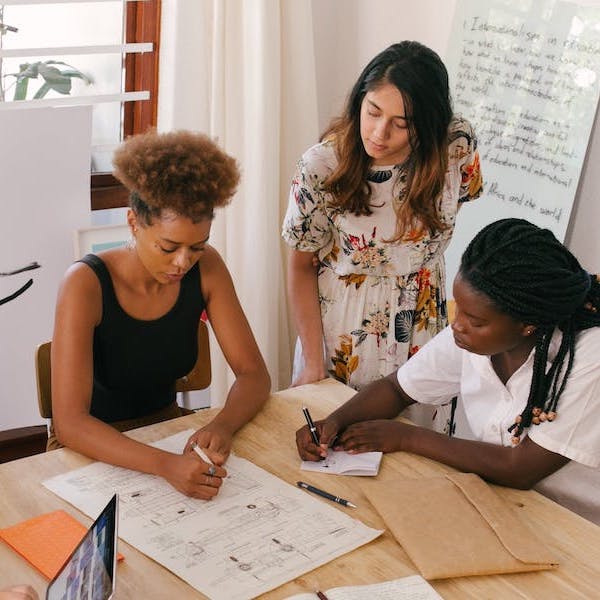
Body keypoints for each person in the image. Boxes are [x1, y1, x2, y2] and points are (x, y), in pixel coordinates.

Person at [296, 218, 600, 524]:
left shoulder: (589, 356)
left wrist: (407, 437)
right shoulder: (472, 336)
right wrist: (335, 421)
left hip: (579, 525)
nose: (457, 324)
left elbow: (519, 468)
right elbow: (397, 389)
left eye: (475, 320)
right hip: (507, 503)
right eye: (460, 309)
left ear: (527, 324)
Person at [51, 130, 270, 500]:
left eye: (196, 247)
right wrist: (165, 465)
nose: (183, 262)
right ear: (134, 223)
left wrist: (223, 425)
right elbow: (70, 424)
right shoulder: (85, 284)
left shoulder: (208, 268)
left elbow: (254, 375)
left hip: (167, 432)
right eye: (169, 247)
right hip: (91, 449)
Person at [282, 41, 483, 406]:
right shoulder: (322, 166)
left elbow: (443, 220)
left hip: (424, 325)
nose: (378, 133)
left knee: (417, 452)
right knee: (337, 445)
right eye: (372, 111)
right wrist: (313, 361)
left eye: (400, 124)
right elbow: (300, 267)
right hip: (345, 332)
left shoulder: (456, 146)